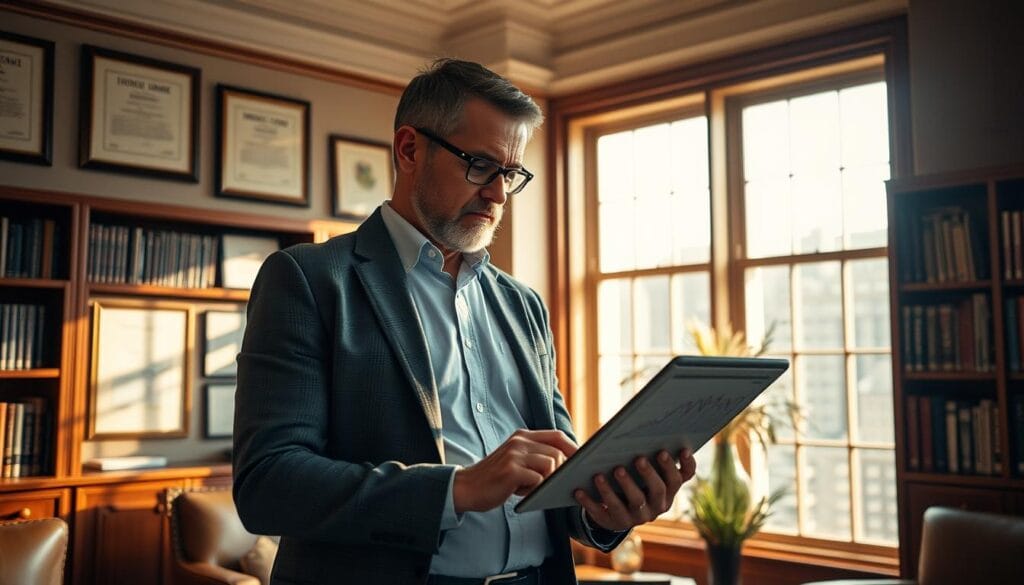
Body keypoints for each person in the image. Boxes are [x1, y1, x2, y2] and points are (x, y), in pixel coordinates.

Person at [233, 58, 697, 585]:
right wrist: (456, 488)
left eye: (511, 174)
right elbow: (267, 484)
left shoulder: (524, 305)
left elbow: (557, 479)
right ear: (409, 149)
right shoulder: (308, 280)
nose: (498, 194)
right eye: (480, 165)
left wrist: (606, 508)